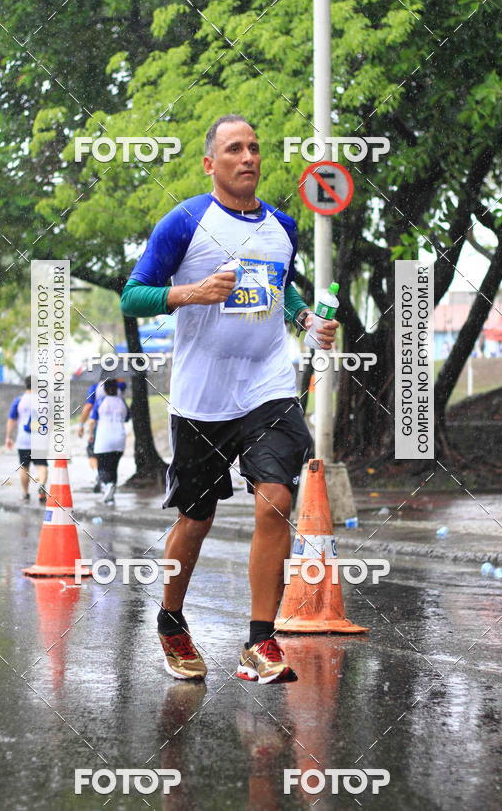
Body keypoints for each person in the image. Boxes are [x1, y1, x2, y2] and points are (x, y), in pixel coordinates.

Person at [120, 114, 339, 684]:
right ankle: (171, 620)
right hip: (202, 396)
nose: (248, 158)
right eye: (234, 149)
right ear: (210, 163)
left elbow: (281, 288)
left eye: (255, 149)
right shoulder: (186, 221)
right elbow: (132, 295)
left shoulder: (283, 227)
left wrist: (306, 318)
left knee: (275, 497)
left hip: (267, 385)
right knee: (196, 519)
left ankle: (259, 640)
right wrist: (190, 293)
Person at [78, 378, 127, 492]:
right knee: (113, 465)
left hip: (102, 432)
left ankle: (101, 479)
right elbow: (127, 416)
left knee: (99, 459)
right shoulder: (121, 392)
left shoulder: (97, 393)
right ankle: (111, 488)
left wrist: (83, 427)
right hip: (119, 434)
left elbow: (90, 413)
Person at [5, 375, 48, 503]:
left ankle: (25, 493)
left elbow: (11, 420)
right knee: (41, 465)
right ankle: (41, 486)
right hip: (39, 439)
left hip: (23, 440)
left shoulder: (19, 400)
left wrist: (8, 437)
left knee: (24, 467)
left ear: (26, 385)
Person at [87, 378, 130, 504]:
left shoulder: (100, 401)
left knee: (102, 466)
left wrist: (90, 434)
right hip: (119, 438)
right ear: (117, 389)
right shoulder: (122, 402)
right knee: (113, 467)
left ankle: (108, 486)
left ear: (104, 389)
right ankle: (110, 496)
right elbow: (127, 418)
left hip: (104, 438)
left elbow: (92, 420)